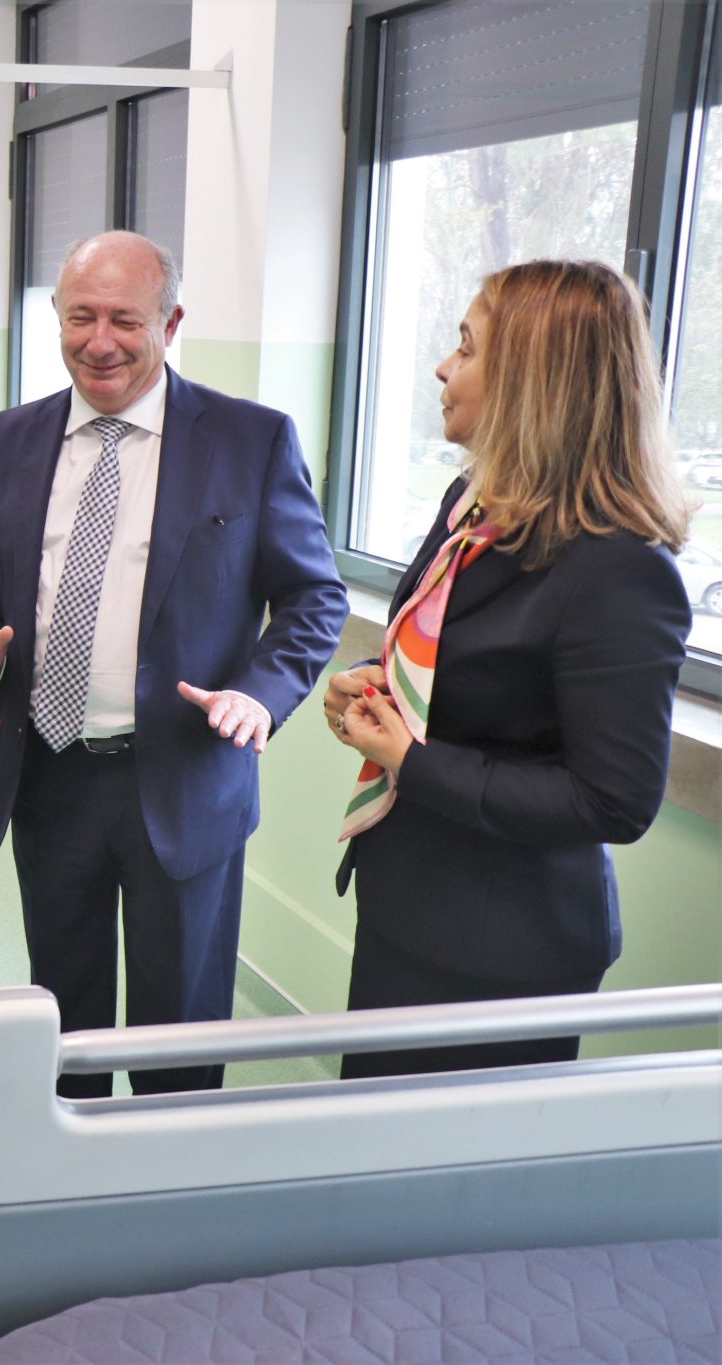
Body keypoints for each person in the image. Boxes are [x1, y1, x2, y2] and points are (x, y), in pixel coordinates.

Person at [0, 231, 346, 1098]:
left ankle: (172, 1167)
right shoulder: (12, 437)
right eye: (79, 317)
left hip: (185, 778)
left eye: (125, 320)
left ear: (171, 322)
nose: (100, 342)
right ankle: (75, 1162)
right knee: (65, 1023)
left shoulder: (250, 439)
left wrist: (260, 694)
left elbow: (315, 598)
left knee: (180, 1030)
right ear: (56, 318)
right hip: (49, 774)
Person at [326, 260, 691, 1079]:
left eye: (466, 348)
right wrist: (372, 684)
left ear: (534, 383)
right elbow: (461, 667)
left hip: (502, 957)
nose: (442, 368)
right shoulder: (474, 506)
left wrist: (411, 760)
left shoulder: (619, 572)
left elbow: (613, 799)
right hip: (406, 904)